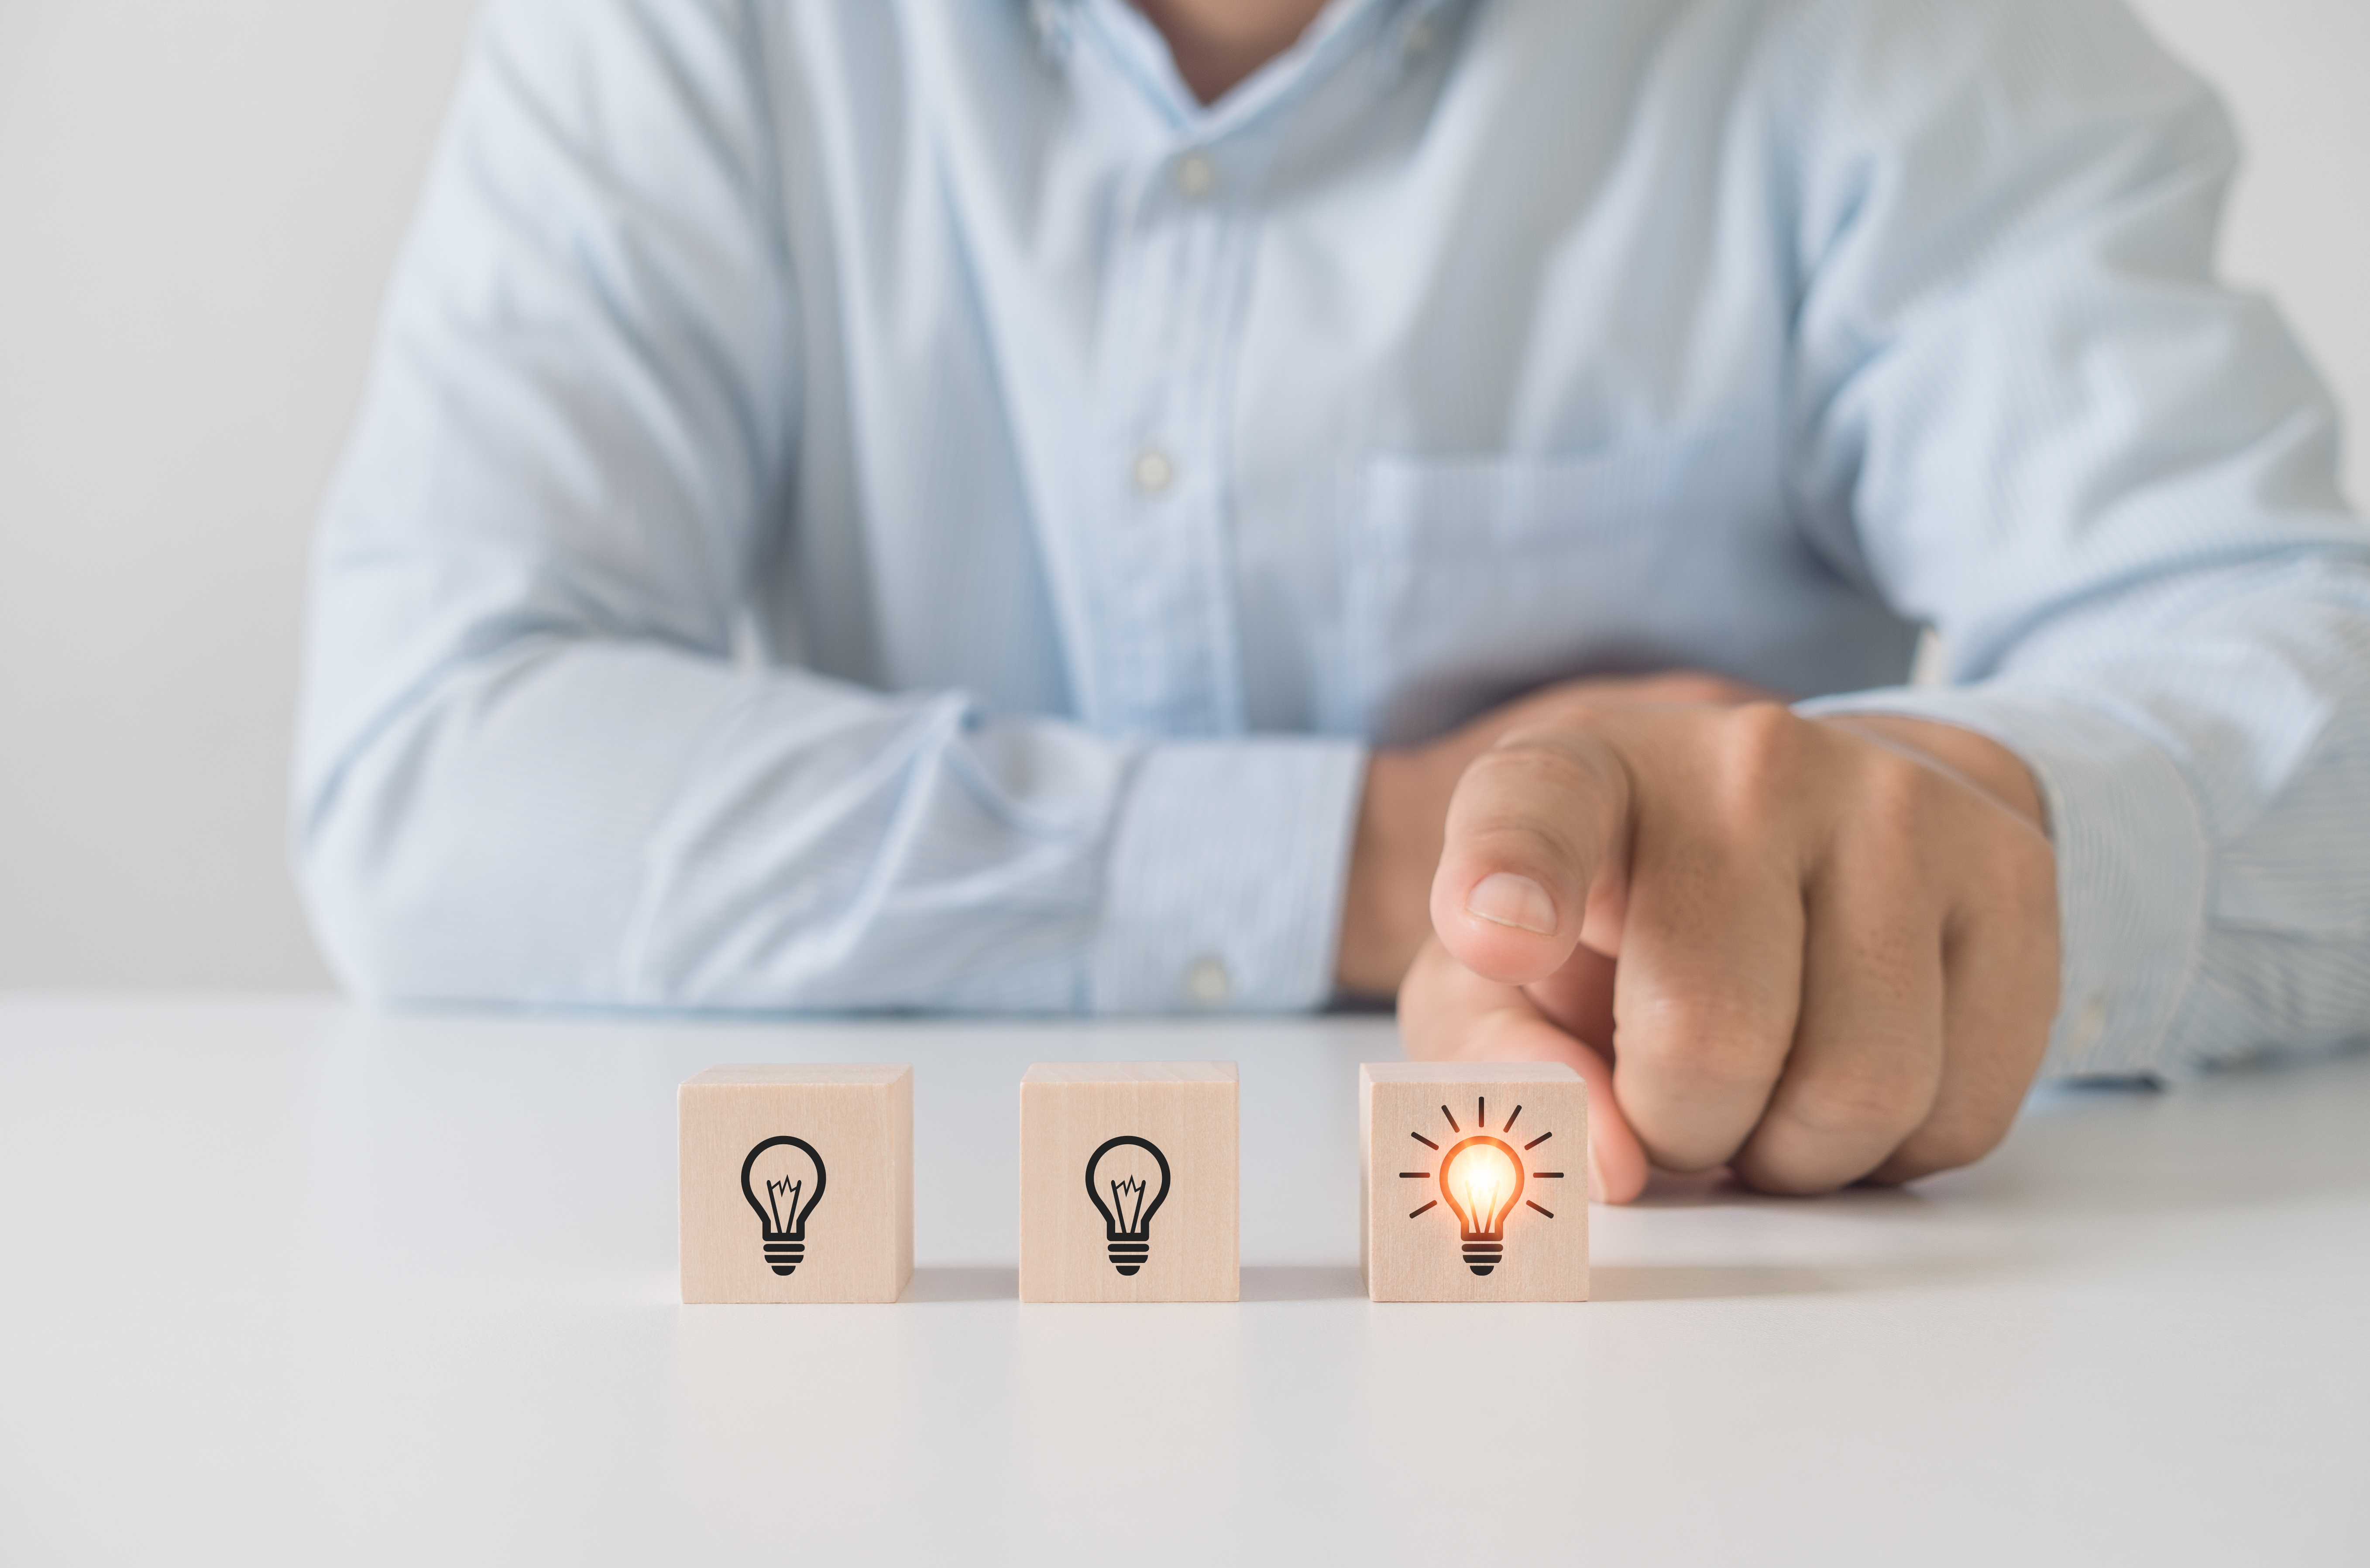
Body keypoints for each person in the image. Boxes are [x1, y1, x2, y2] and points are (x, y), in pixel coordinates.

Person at [296, 0, 2370, 1203]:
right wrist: (1384, 857)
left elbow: (2307, 687)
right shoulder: (691, 37)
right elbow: (432, 757)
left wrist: (1928, 821)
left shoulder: (1901, 40)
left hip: (1691, 1359)